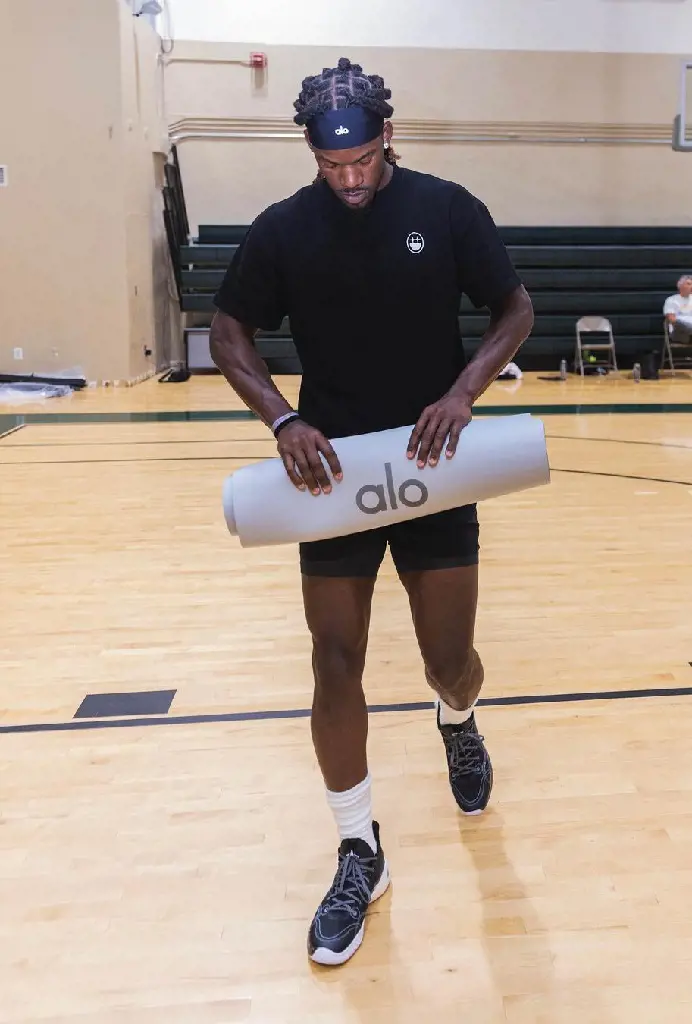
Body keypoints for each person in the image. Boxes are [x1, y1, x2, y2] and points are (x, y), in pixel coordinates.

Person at [210, 57, 534, 967]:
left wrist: (467, 389)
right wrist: (282, 417)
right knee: (334, 655)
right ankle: (360, 850)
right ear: (313, 152)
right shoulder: (285, 229)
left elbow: (515, 304)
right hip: (334, 476)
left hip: (434, 466)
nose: (348, 182)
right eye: (329, 166)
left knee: (449, 658)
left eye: (359, 162)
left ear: (386, 135)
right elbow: (227, 330)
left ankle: (457, 718)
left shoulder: (445, 207)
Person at [663, 275, 692, 343]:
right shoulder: (671, 300)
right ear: (680, 286)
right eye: (688, 284)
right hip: (679, 332)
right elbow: (671, 319)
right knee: (678, 323)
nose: (691, 286)